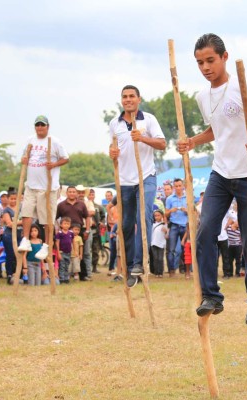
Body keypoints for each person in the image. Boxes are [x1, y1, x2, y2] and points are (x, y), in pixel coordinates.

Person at [177, 33, 247, 327]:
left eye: (210, 60)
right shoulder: (202, 96)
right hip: (220, 173)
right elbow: (217, 130)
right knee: (205, 231)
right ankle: (211, 296)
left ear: (224, 57)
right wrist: (193, 141)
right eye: (199, 62)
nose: (205, 67)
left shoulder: (244, 88)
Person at [108, 84, 166, 288]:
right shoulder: (115, 123)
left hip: (146, 176)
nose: (128, 99)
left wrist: (142, 137)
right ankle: (130, 266)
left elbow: (162, 143)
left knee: (144, 218)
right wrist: (112, 153)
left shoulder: (148, 119)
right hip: (124, 181)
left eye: (132, 96)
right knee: (125, 225)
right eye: (124, 96)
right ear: (121, 100)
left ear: (139, 99)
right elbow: (113, 147)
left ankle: (140, 263)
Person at [18, 115, 70, 261]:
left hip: (47, 187)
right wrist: (24, 160)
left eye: (42, 125)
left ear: (47, 126)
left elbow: (66, 158)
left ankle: (47, 245)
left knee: (46, 218)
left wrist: (53, 165)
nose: (40, 128)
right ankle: (26, 239)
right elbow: (24, 157)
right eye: (37, 125)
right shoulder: (30, 140)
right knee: (26, 212)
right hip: (31, 185)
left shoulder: (54, 141)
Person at [56, 186, 92, 280]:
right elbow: (55, 218)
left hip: (78, 230)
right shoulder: (61, 205)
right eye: (70, 192)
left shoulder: (81, 204)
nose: (72, 193)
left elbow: (87, 217)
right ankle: (65, 274)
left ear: (76, 193)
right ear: (66, 193)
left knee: (80, 252)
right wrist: (57, 230)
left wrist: (87, 230)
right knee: (66, 253)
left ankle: (83, 275)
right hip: (65, 232)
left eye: (73, 192)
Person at [165, 178, 188, 274]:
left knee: (186, 249)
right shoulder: (169, 199)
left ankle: (186, 270)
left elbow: (194, 213)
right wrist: (170, 211)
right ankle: (171, 270)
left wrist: (186, 210)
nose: (178, 188)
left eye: (180, 186)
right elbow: (165, 214)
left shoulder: (188, 198)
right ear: (174, 187)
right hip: (174, 225)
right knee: (171, 250)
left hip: (185, 226)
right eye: (176, 186)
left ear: (183, 186)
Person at [1, 189, 22, 284]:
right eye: (11, 199)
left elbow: (27, 220)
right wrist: (20, 222)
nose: (13, 201)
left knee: (20, 255)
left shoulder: (21, 208)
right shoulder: (6, 210)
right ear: (8, 199)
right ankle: (9, 274)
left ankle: (19, 273)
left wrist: (16, 223)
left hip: (20, 234)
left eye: (15, 199)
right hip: (9, 235)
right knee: (10, 255)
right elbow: (9, 223)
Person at [56, 217, 74, 284]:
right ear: (61, 225)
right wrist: (58, 252)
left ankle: (66, 278)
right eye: (65, 223)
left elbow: (72, 242)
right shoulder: (59, 233)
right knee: (62, 266)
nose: (66, 225)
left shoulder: (71, 233)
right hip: (62, 252)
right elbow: (57, 243)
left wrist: (73, 250)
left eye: (68, 224)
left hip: (68, 252)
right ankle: (62, 279)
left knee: (67, 266)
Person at [151, 210, 167, 278]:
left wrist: (166, 230)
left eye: (158, 215)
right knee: (155, 258)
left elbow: (167, 235)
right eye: (155, 216)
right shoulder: (152, 225)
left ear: (162, 216)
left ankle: (160, 272)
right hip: (153, 243)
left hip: (161, 243)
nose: (156, 217)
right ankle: (156, 272)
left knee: (160, 258)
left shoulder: (164, 224)